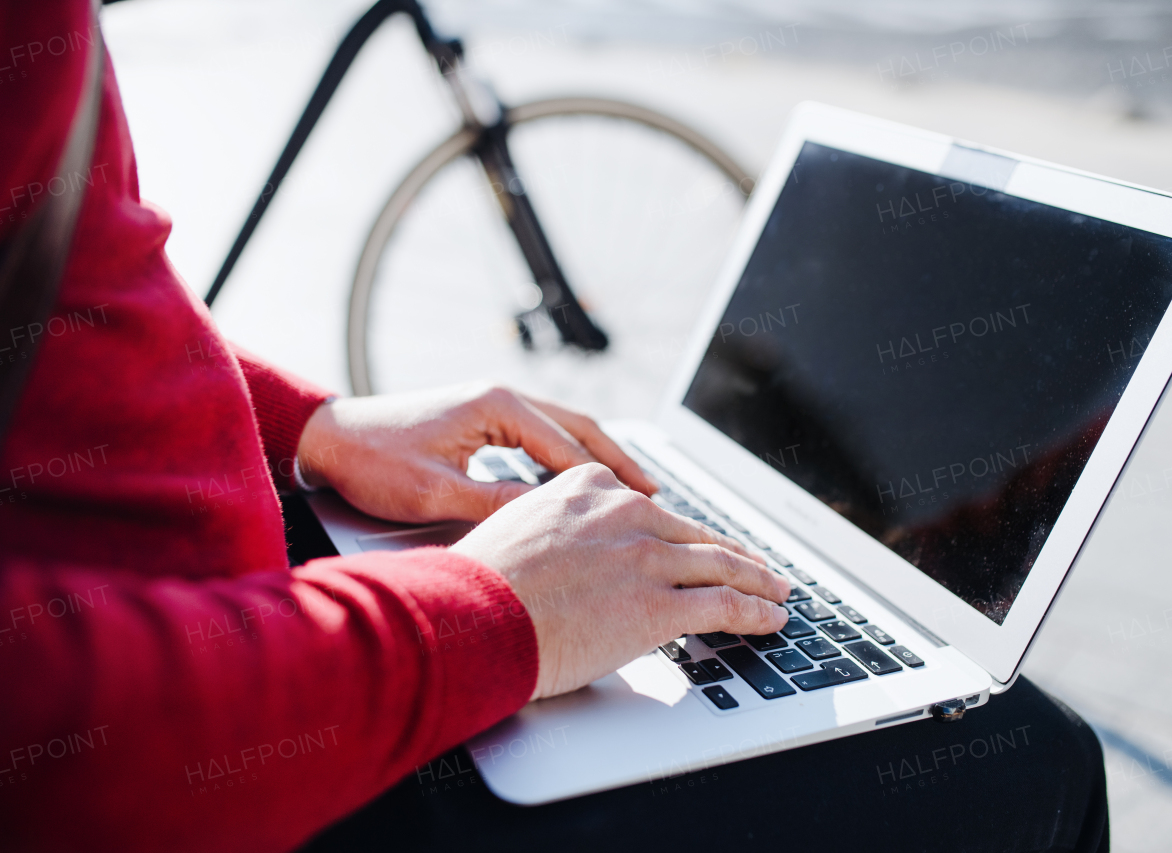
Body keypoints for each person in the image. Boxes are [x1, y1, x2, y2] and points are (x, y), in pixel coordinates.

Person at [0, 3, 1108, 851]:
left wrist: (312, 427)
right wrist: (487, 618)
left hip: (247, 636)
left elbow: (49, 325)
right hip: (229, 760)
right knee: (1030, 758)